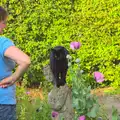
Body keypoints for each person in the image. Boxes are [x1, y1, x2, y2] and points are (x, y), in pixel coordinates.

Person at [0, 6, 31, 120]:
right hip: (3, 102)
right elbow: (25, 60)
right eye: (3, 22)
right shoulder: (2, 42)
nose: (5, 26)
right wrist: (14, 77)